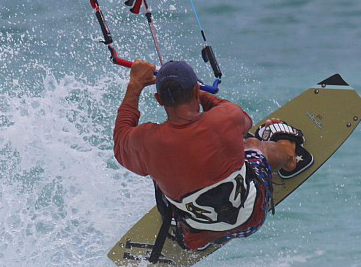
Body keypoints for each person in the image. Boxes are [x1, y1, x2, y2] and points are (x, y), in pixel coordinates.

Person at [113, 58, 308, 252]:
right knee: (253, 144)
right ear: (197, 91)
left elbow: (120, 142)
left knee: (165, 170)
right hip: (252, 218)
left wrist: (135, 85)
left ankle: (198, 230)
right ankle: (288, 156)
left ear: (159, 100)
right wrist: (199, 94)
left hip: (196, 236)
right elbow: (245, 122)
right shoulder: (225, 117)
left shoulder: (146, 142)